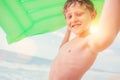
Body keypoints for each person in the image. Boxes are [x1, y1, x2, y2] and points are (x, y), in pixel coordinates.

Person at [49, 0, 120, 80]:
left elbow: (105, 37)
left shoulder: (89, 41)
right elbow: (61, 49)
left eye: (79, 14)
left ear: (93, 15)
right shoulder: (69, 43)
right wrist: (68, 30)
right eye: (69, 16)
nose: (73, 19)